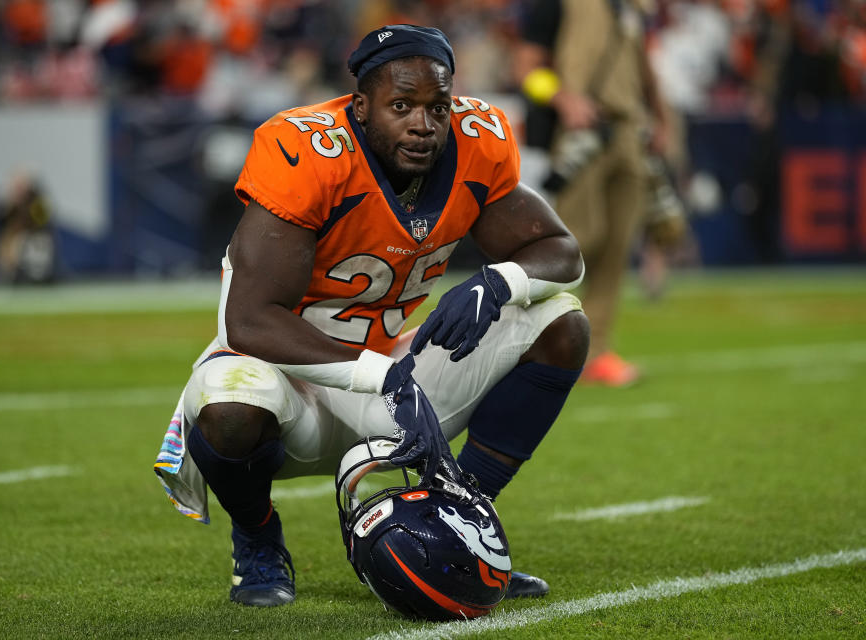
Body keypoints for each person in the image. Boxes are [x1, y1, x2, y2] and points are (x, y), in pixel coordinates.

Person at [153, 24, 590, 608]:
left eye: (438, 106)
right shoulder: (310, 152)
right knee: (228, 401)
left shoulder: (475, 142)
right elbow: (250, 321)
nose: (423, 123)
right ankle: (258, 540)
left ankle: (464, 527)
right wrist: (380, 376)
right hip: (290, 380)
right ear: (360, 107)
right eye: (401, 105)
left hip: (392, 369)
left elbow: (562, 253)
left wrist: (499, 280)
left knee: (559, 319)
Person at [515, 0, 670, 386]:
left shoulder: (630, 7)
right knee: (579, 240)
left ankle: (597, 351)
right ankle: (535, 344)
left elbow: (641, 67)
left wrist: (660, 117)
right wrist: (564, 100)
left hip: (630, 131)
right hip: (582, 132)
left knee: (618, 244)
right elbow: (526, 69)